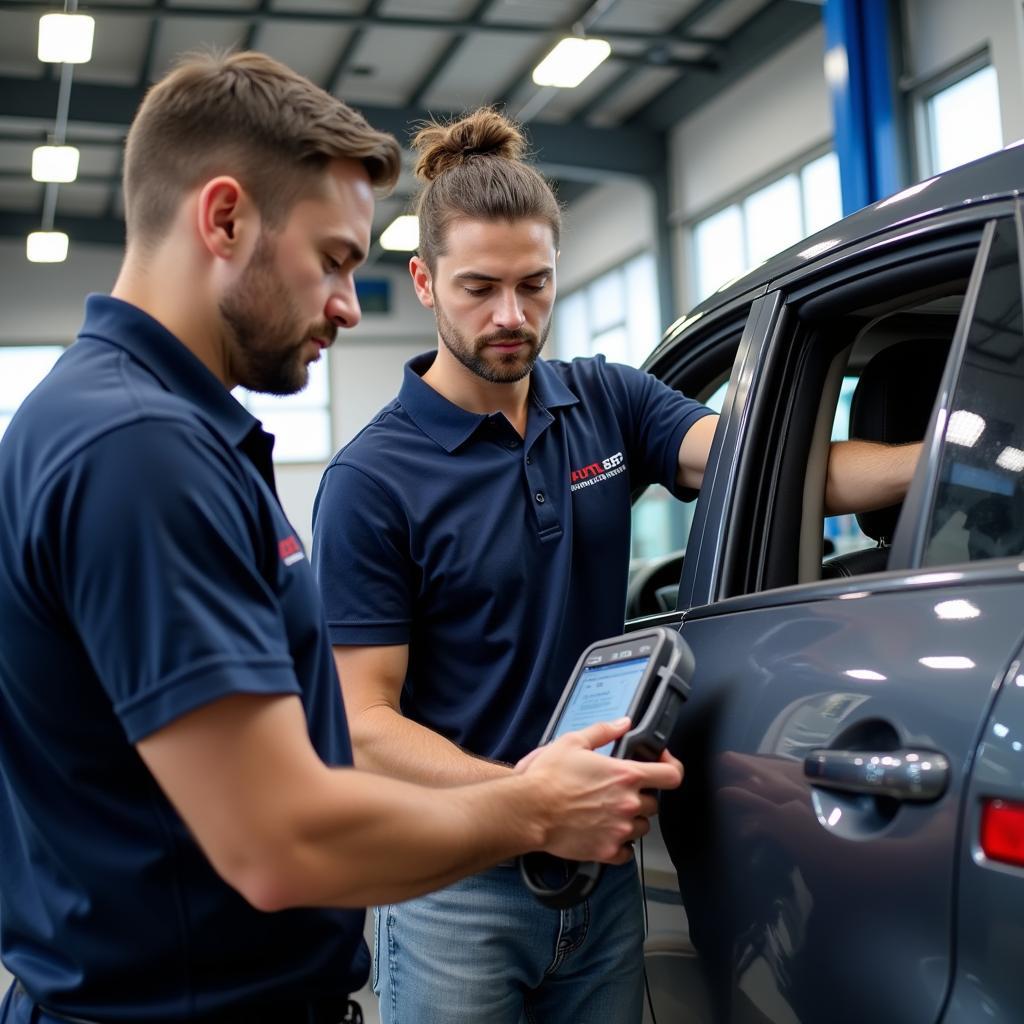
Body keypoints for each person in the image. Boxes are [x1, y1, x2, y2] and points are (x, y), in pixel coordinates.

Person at [0, 54, 685, 1024]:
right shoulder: (140, 450)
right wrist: (534, 806)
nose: (349, 306)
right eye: (331, 260)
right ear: (224, 218)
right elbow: (281, 842)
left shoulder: (139, 424)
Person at [311, 108, 922, 1023]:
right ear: (424, 282)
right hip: (454, 887)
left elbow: (780, 463)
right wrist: (530, 798)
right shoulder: (371, 479)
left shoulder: (605, 401)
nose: (512, 317)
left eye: (535, 285)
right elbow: (363, 720)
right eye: (479, 288)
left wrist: (948, 459)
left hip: (600, 879)